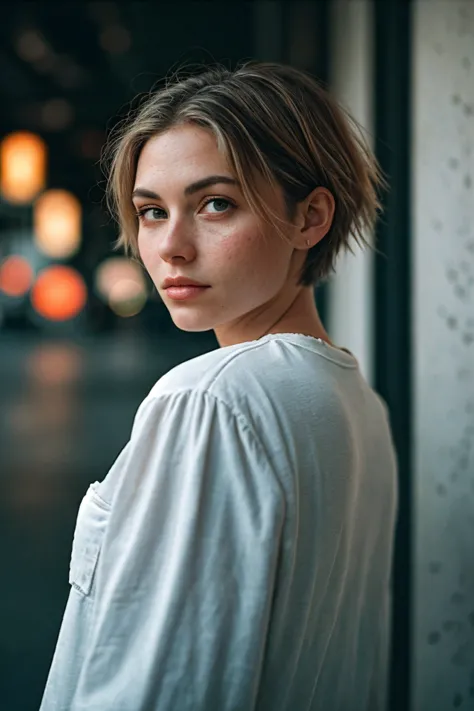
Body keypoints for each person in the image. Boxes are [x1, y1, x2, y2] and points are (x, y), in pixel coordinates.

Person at [40, 62, 398, 711]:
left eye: (215, 204)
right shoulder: (358, 405)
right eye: (151, 211)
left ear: (310, 217)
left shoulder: (210, 399)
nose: (170, 246)